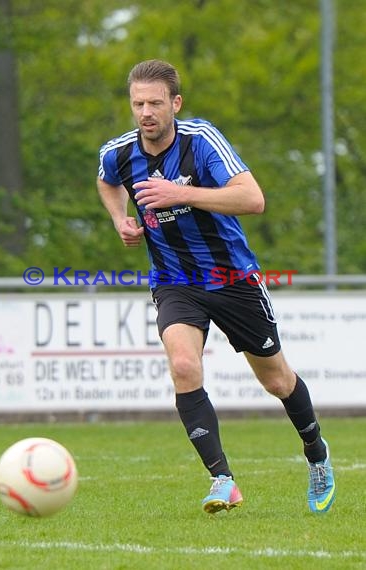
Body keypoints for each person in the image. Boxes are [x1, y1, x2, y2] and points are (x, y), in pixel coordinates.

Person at [97, 59, 336, 515]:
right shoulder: (119, 152)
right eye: (137, 103)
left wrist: (180, 193)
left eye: (155, 103)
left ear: (176, 104)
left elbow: (253, 199)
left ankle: (317, 454)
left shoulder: (202, 141)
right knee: (184, 365)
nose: (145, 112)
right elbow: (107, 182)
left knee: (277, 379)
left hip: (232, 279)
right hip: (174, 282)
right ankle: (222, 479)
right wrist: (120, 220)